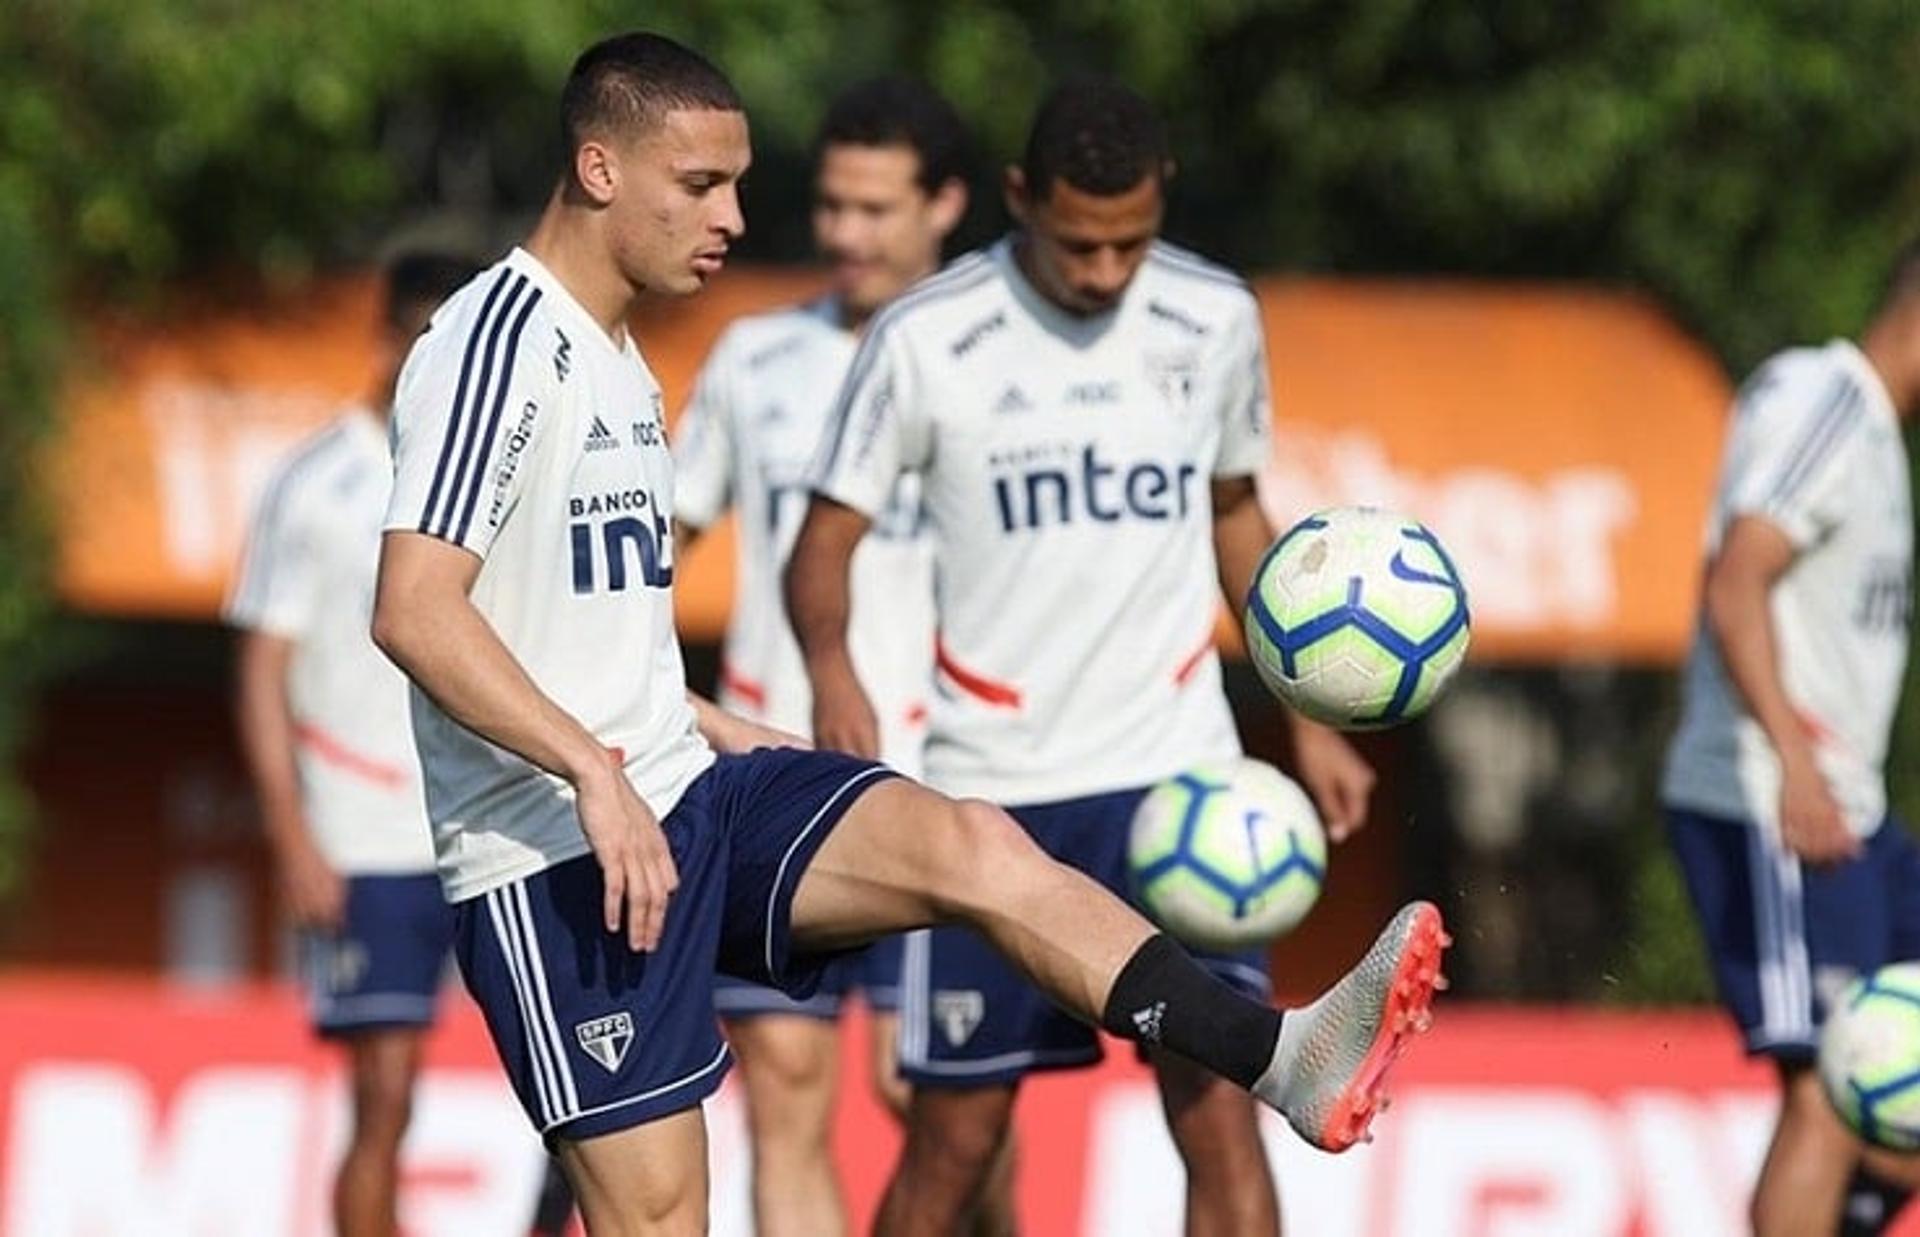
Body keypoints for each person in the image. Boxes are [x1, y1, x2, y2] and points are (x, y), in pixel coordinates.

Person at [369, 32, 1446, 1236]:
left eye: (736, 182)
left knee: (973, 849)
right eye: (700, 186)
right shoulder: (498, 341)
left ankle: (1281, 1055)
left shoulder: (622, 359)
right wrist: (591, 770)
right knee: (666, 1217)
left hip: (684, 791)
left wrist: (712, 726)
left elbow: (587, 631)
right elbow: (414, 608)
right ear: (601, 169)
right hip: (557, 861)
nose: (733, 216)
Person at [786, 76, 1380, 1235]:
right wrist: (833, 672)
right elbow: (823, 543)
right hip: (994, 793)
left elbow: (1237, 516)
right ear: (1019, 200)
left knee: (1222, 1101)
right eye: (1079, 245)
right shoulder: (928, 336)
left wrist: (1308, 712)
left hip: (1181, 778)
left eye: (1131, 243)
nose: (1107, 272)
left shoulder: (1213, 319)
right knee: (956, 1134)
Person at [672, 76, 1007, 1236]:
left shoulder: (1001, 360)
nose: (846, 235)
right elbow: (649, 548)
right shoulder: (754, 358)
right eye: (832, 206)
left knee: (943, 1107)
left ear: (946, 203)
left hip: (952, 781)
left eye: (876, 209)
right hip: (776, 778)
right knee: (787, 1097)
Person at [1663, 242, 1920, 1236]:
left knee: (1889, 1079)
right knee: (1826, 1084)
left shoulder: (1879, 439)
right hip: (1772, 800)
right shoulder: (1829, 401)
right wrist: (1796, 758)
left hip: (1851, 811)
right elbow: (1738, 576)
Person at [228, 251, 478, 1236]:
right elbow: (260, 669)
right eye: (419, 342)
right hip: (362, 833)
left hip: (478, 821)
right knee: (387, 1087)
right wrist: (292, 831)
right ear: (385, 340)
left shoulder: (482, 480)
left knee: (573, 1079)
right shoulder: (317, 482)